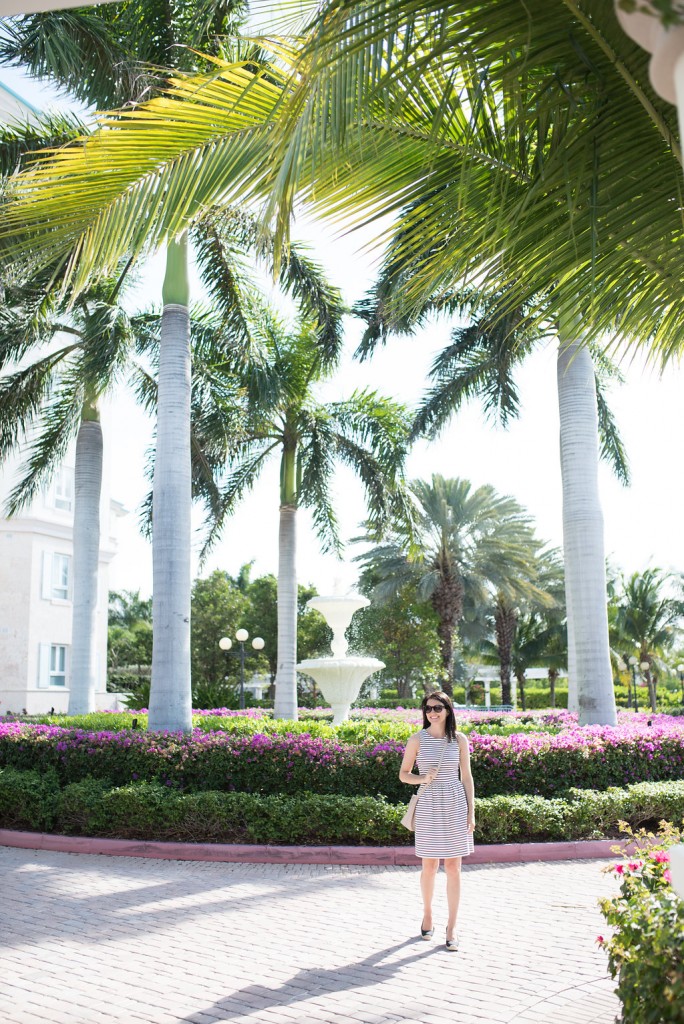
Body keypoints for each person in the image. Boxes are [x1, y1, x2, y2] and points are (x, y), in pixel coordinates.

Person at [399, 690, 475, 951]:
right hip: (429, 803)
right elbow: (404, 774)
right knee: (429, 866)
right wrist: (422, 778)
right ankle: (428, 914)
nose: (432, 712)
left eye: (437, 708)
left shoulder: (460, 740)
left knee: (454, 867)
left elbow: (466, 777)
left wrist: (471, 811)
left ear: (448, 710)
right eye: (428, 708)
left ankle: (452, 927)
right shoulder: (416, 739)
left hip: (454, 803)